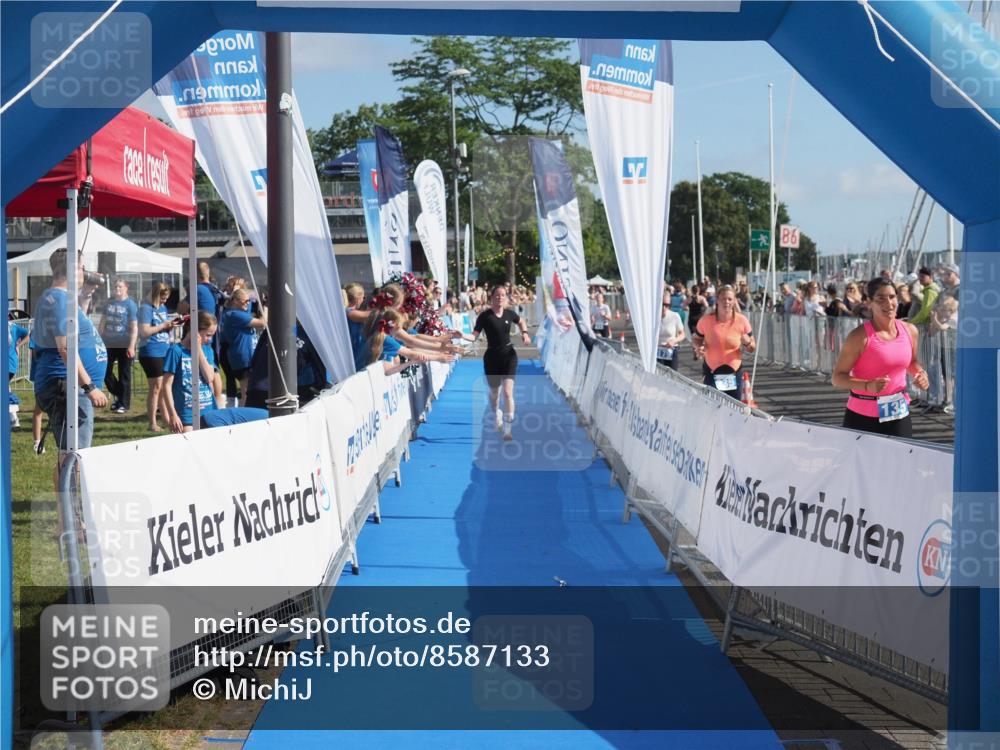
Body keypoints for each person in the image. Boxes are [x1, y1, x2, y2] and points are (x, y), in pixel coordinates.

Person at [31, 248, 109, 455]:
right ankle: (68, 488)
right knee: (74, 457)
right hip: (68, 385)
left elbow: (75, 323)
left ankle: (68, 487)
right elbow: (65, 347)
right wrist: (89, 386)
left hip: (70, 384)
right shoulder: (58, 300)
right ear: (73, 269)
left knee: (71, 455)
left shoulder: (61, 298)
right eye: (82, 267)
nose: (85, 272)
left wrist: (87, 294)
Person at [832, 277, 929, 438]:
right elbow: (837, 378)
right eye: (880, 299)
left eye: (892, 297)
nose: (888, 303)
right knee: (864, 464)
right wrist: (867, 385)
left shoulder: (910, 330)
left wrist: (921, 374)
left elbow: (911, 362)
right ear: (869, 303)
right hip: (863, 416)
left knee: (901, 463)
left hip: (898, 413)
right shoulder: (859, 337)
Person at [458, 286, 531, 440]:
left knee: (508, 392)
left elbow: (521, 321)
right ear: (492, 297)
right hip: (491, 357)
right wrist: (462, 335)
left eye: (503, 295)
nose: (500, 297)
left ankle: (508, 429)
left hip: (509, 355)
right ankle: (496, 413)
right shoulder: (485, 316)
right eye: (497, 295)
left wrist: (525, 334)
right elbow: (474, 337)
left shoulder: (510, 313)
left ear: (506, 297)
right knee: (494, 394)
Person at [692, 285, 756, 401]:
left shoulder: (742, 321)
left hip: (734, 372)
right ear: (717, 300)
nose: (726, 302)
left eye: (730, 299)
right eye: (723, 299)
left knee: (734, 408)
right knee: (711, 406)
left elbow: (752, 347)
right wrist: (699, 346)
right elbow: (696, 338)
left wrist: (747, 344)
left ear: (734, 301)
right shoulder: (706, 320)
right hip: (711, 371)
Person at [162, 312, 220, 433]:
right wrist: (172, 414)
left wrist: (198, 349)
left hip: (208, 411)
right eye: (208, 335)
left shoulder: (207, 350)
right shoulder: (175, 351)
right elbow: (166, 385)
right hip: (186, 414)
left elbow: (209, 377)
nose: (210, 340)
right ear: (195, 331)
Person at [138, 282, 180, 431]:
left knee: (163, 388)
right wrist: (163, 326)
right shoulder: (145, 309)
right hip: (151, 351)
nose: (165, 301)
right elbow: (144, 332)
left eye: (167, 298)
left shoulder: (163, 308)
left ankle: (168, 420)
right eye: (163, 297)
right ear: (156, 295)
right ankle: (152, 423)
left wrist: (170, 326)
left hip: (164, 349)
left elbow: (162, 326)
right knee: (156, 388)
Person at [220, 288, 267, 405]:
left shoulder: (237, 313)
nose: (248, 303)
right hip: (242, 358)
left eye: (249, 301)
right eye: (245, 301)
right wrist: (265, 307)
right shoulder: (233, 314)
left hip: (244, 356)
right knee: (246, 392)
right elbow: (262, 323)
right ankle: (243, 415)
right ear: (236, 301)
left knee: (248, 390)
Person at [99, 278, 138, 414]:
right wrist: (99, 338)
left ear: (126, 287)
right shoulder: (109, 302)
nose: (117, 290)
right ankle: (120, 395)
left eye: (120, 287)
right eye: (116, 287)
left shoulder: (130, 304)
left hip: (124, 343)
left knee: (124, 374)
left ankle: (123, 404)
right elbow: (102, 321)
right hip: (108, 342)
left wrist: (132, 346)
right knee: (105, 371)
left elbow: (134, 327)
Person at [7, 316, 28, 428]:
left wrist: (18, 345)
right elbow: (29, 334)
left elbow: (29, 334)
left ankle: (13, 418)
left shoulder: (12, 327)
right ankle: (13, 418)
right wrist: (18, 345)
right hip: (11, 365)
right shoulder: (13, 326)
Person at [657, 300, 686, 371]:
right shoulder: (651, 317)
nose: (664, 307)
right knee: (657, 378)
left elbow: (682, 334)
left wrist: (674, 341)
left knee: (672, 378)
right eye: (662, 304)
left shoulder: (674, 316)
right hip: (656, 352)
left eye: (667, 305)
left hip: (671, 352)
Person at [686, 285, 708, 359]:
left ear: (692, 291)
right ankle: (700, 352)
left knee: (694, 336)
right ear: (698, 291)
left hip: (691, 318)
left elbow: (683, 306)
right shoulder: (701, 298)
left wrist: (687, 308)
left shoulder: (689, 299)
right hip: (699, 318)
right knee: (701, 336)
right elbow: (706, 306)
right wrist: (703, 312)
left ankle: (695, 351)